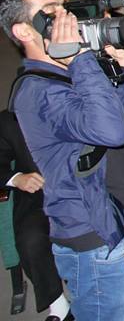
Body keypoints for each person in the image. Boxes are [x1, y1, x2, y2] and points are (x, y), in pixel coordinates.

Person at [0, 0, 124, 320]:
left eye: (64, 7)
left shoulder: (79, 71)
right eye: (51, 12)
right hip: (93, 234)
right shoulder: (36, 90)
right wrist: (81, 59)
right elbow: (113, 132)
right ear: (24, 31)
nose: (66, 17)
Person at [0, 111, 71, 321]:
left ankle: (89, 291)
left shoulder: (72, 104)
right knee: (30, 239)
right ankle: (58, 304)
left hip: (79, 188)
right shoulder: (9, 121)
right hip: (37, 194)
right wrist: (16, 178)